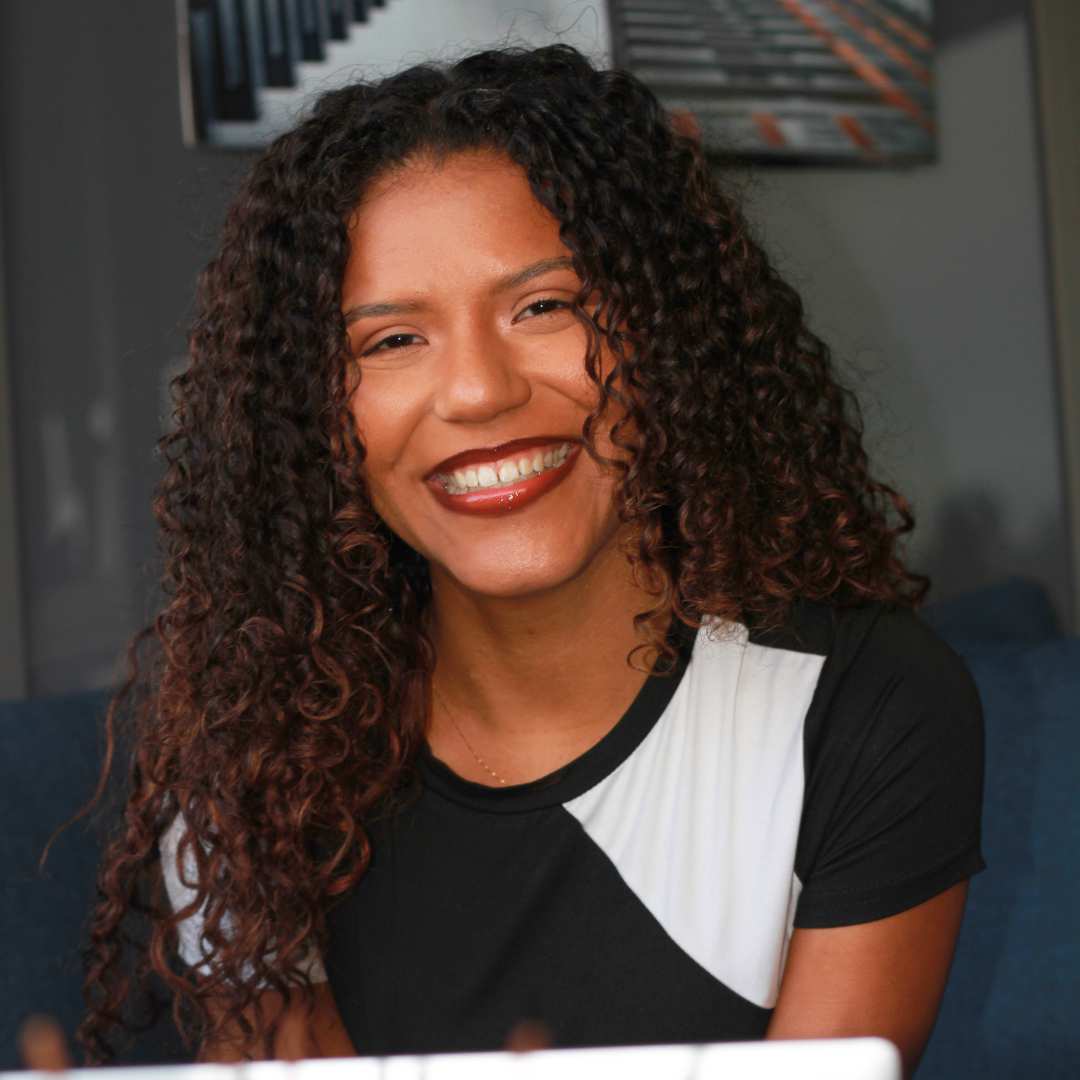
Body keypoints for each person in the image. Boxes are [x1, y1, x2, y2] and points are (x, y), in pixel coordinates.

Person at [73, 43, 984, 1077]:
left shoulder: (861, 709)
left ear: (666, 333)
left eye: (543, 306)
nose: (477, 393)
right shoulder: (252, 763)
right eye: (389, 342)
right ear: (315, 419)